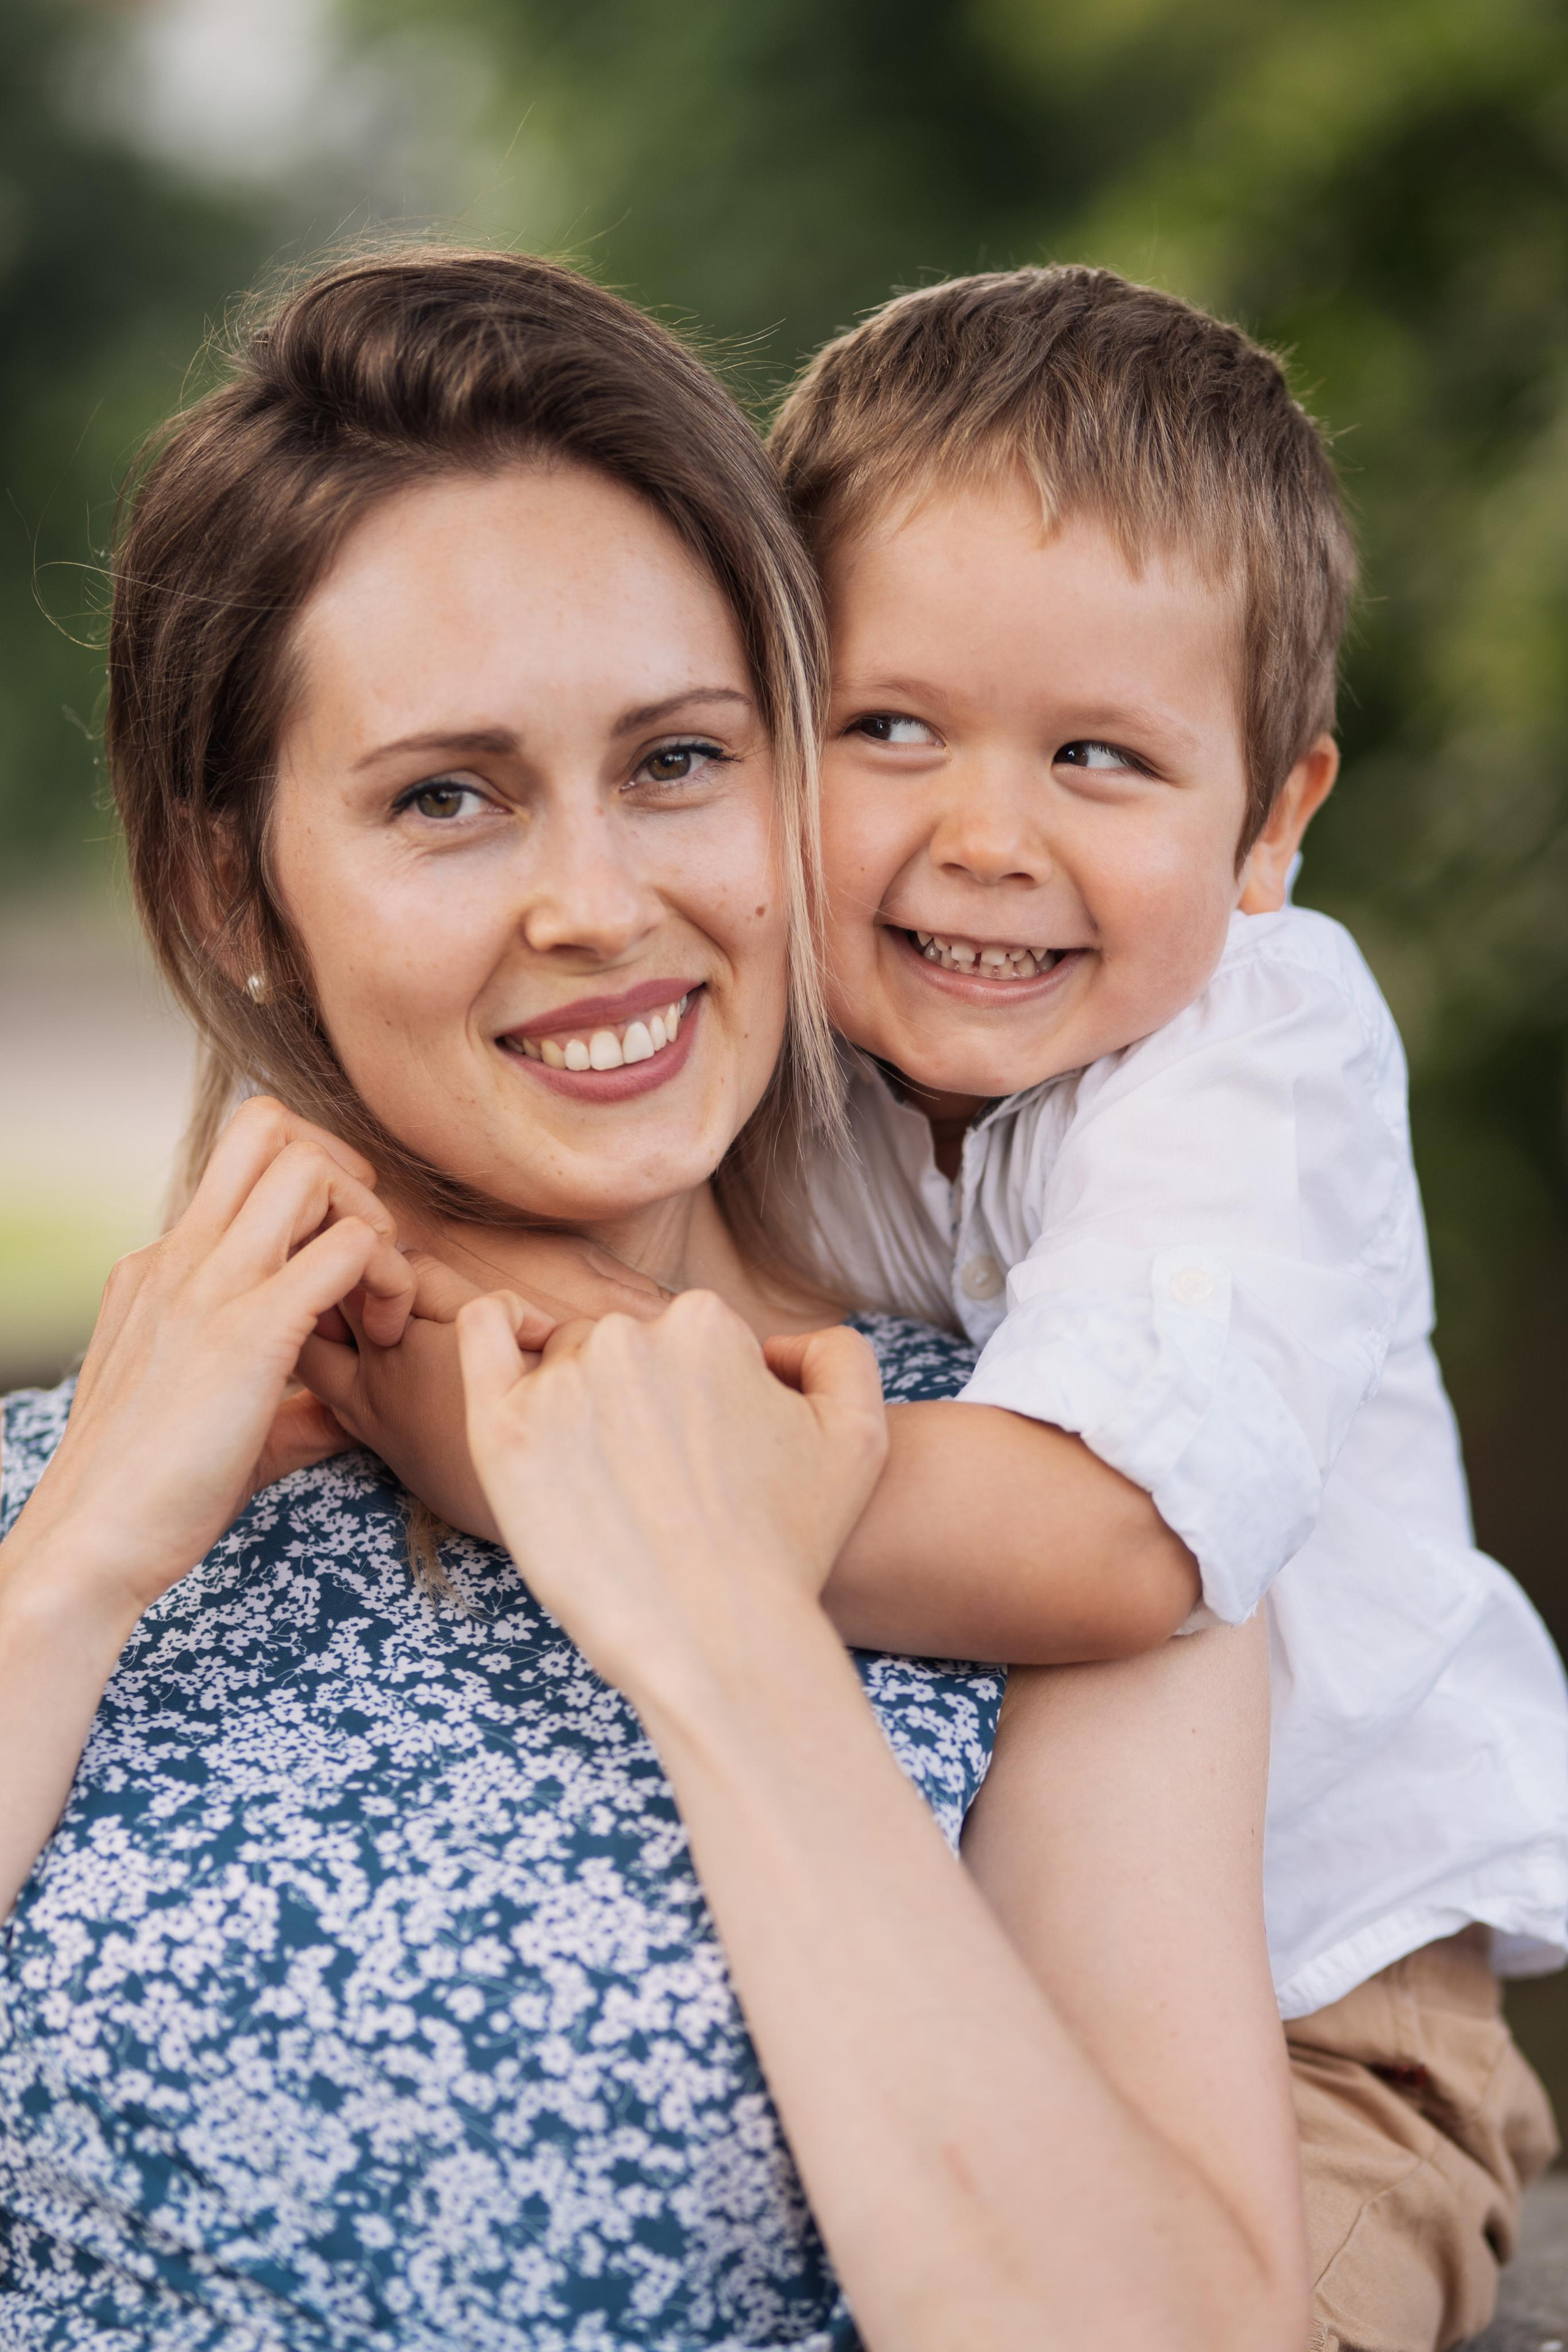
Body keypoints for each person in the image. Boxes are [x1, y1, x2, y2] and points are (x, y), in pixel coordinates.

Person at [0, 248, 1306, 2349]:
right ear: (235, 884)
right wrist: (63, 1578)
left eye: (680, 761)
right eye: (448, 795)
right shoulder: (73, 1495)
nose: (601, 905)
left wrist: (732, 1647)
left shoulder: (1054, 1518)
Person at [762, 265, 1567, 2352]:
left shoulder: (1257, 1060)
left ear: (1269, 825)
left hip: (1320, 2021)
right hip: (989, 1987)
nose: (985, 835)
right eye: (890, 727)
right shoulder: (787, 1039)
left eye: (1102, 758)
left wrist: (545, 1448)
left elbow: (1102, 1540)